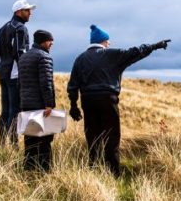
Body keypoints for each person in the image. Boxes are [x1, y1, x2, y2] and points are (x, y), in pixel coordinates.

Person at [67, 25, 170, 177]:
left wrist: (73, 105)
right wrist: (154, 46)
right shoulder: (112, 55)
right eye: (108, 41)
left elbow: (73, 85)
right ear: (103, 41)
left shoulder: (80, 59)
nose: (109, 44)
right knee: (112, 134)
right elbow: (136, 52)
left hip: (88, 100)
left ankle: (93, 169)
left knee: (92, 134)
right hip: (108, 99)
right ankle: (113, 172)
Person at [0, 0, 36, 148]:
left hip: (3, 74)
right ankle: (14, 146)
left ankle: (1, 145)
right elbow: (20, 53)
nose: (30, 13)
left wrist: (1, 68)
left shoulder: (2, 28)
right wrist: (25, 73)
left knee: (5, 111)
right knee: (15, 110)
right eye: (27, 10)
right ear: (18, 12)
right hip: (15, 74)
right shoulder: (20, 29)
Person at [17, 30, 56, 172]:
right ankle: (44, 171)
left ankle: (29, 169)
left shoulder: (23, 57)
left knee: (30, 140)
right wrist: (49, 104)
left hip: (26, 105)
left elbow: (19, 83)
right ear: (43, 41)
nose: (51, 43)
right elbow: (46, 83)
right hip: (40, 106)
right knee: (44, 140)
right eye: (50, 41)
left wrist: (21, 103)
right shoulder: (44, 57)